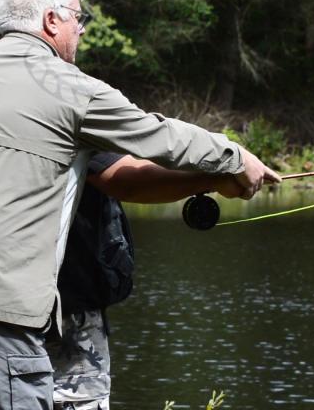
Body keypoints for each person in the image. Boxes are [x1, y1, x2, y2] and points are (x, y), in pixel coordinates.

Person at [0, 0, 280, 410]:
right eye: (78, 17)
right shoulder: (71, 87)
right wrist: (237, 158)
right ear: (52, 20)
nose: (82, 28)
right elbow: (160, 136)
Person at [50, 153, 245, 410]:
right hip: (69, 314)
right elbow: (127, 179)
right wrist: (215, 176)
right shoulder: (73, 116)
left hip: (1, 307)